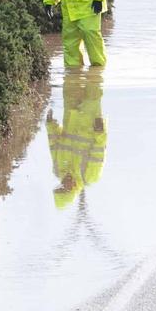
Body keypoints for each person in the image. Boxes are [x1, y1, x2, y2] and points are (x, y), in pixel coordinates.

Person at [48, 68, 108, 209]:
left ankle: (74, 64)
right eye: (65, 189)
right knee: (94, 84)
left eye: (59, 187)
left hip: (71, 117)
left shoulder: (58, 170)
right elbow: (99, 151)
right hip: (89, 123)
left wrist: (50, 124)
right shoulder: (89, 177)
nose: (63, 184)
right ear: (72, 191)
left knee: (71, 82)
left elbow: (53, 144)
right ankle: (97, 63)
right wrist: (100, 132)